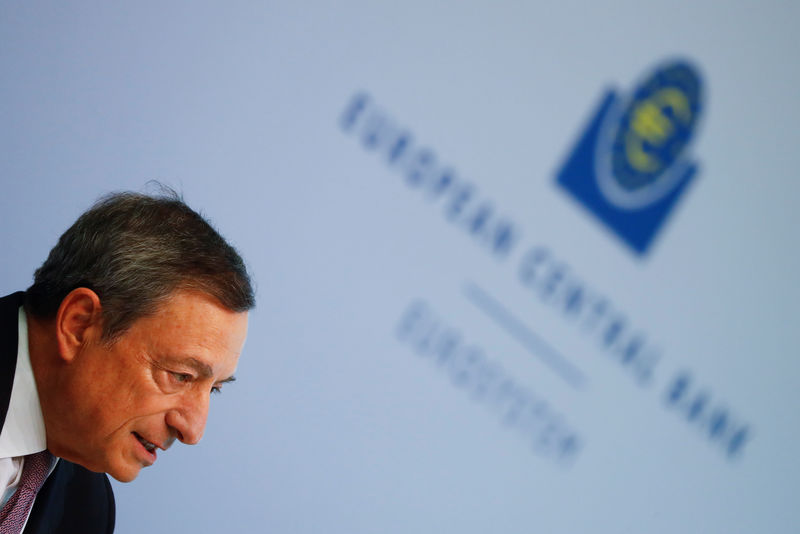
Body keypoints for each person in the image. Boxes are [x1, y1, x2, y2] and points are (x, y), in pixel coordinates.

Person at [0, 190, 255, 533]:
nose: (193, 431)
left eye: (216, 389)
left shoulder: (87, 510)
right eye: (180, 375)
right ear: (78, 325)